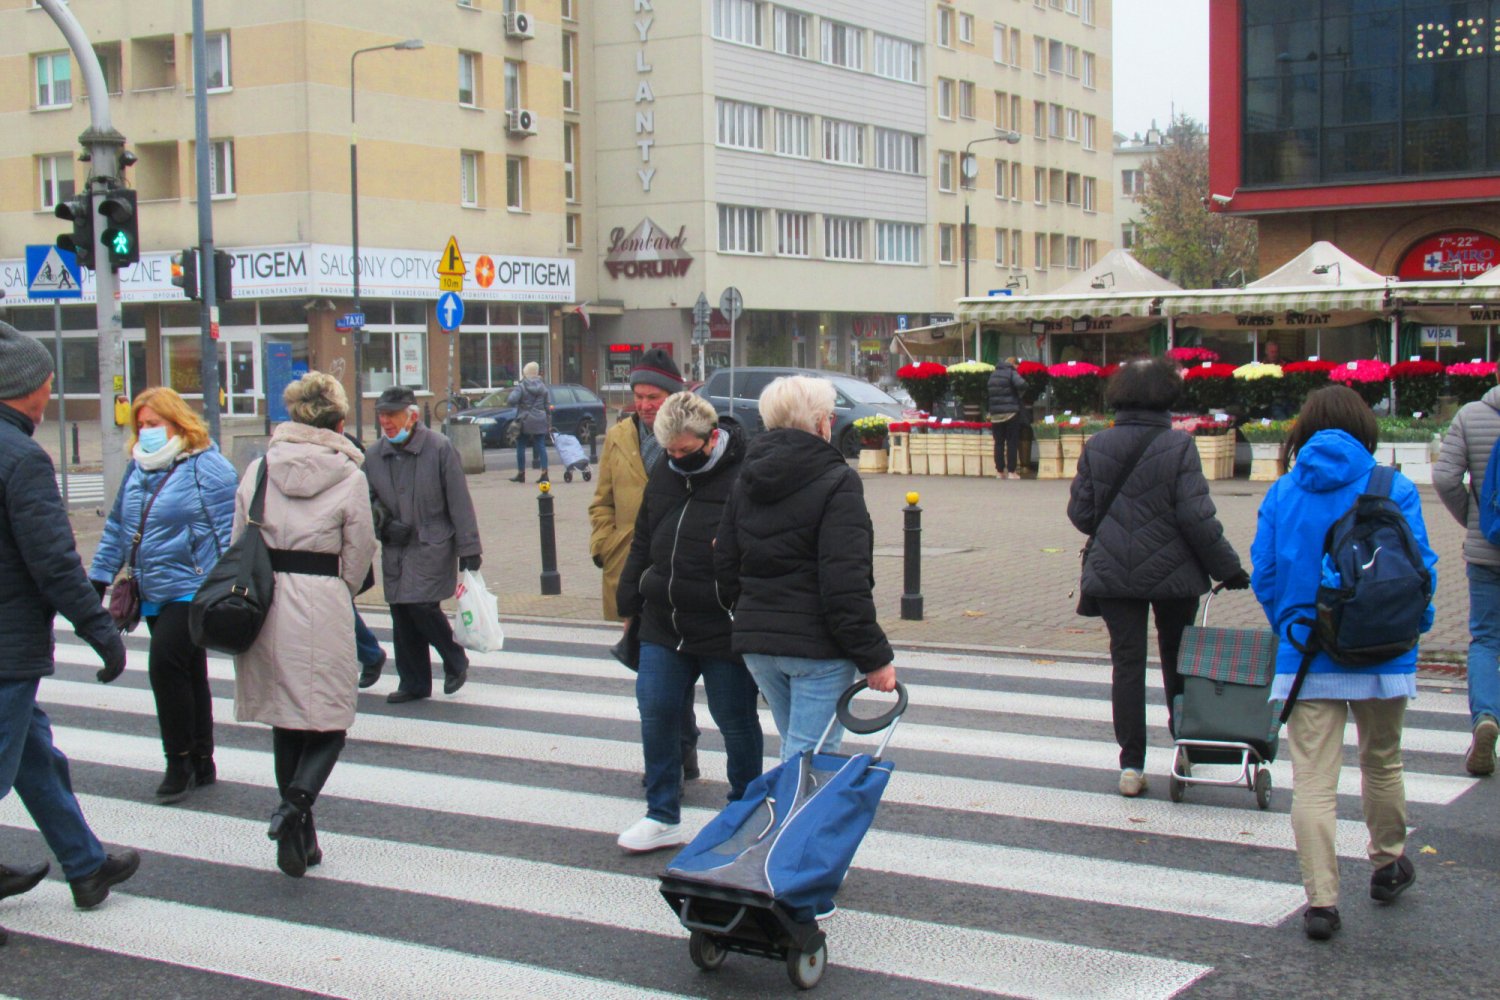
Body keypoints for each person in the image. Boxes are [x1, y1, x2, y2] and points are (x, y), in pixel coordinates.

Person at [1252, 385, 1437, 941]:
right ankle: (1388, 863)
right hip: (1384, 651)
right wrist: (1414, 627)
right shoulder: (1394, 487)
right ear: (1365, 430)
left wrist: (1290, 625)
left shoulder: (1284, 491)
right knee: (1382, 761)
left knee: (1313, 780)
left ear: (1303, 431)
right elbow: (1421, 569)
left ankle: (1322, 904)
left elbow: (1265, 573)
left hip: (1308, 654)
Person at [0, 321, 140, 928]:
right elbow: (54, 562)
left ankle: (85, 866)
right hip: (6, 646)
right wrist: (100, 631)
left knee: (34, 756)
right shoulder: (21, 459)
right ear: (26, 388)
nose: (51, 392)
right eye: (48, 381)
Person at [1067, 358, 1248, 798]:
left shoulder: (1097, 444)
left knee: (1127, 665)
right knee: (1178, 661)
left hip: (1113, 573)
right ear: (1167, 396)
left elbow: (1082, 514)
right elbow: (1197, 517)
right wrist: (1228, 568)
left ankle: (1131, 766)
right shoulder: (1179, 446)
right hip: (1174, 575)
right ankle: (1184, 749)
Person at [232, 373, 377, 877]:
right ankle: (293, 807)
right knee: (330, 720)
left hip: (267, 598)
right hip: (322, 596)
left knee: (286, 720)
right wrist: (340, 589)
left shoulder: (259, 469)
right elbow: (360, 551)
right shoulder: (350, 476)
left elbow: (239, 537)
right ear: (338, 422)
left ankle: (297, 842)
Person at [716, 375, 898, 762]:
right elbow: (845, 582)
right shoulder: (837, 480)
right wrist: (874, 658)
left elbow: (725, 561)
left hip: (758, 642)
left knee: (795, 750)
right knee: (811, 759)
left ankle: (787, 802)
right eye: (829, 416)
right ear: (819, 423)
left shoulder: (746, 477)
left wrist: (747, 612)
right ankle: (792, 806)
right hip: (817, 646)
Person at [615, 393, 762, 852]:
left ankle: (743, 813)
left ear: (711, 438)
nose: (677, 459)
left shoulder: (744, 474)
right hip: (664, 617)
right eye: (670, 451)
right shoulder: (666, 468)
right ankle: (661, 814)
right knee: (656, 709)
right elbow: (644, 536)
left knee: (734, 720)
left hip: (721, 622)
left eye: (685, 450)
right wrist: (628, 599)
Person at [89, 386, 238, 803]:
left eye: (154, 423)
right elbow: (118, 526)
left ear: (177, 422)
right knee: (189, 671)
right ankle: (203, 759)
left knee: (165, 666)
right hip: (152, 587)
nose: (146, 432)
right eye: (141, 425)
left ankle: (178, 761)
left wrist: (224, 585)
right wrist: (99, 575)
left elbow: (231, 528)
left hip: (193, 588)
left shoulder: (206, 465)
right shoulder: (138, 468)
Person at [590, 348, 701, 779]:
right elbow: (602, 501)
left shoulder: (690, 435)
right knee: (652, 675)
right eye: (638, 396)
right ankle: (673, 756)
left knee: (674, 668)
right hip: (632, 569)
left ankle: (679, 751)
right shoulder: (619, 436)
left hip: (679, 570)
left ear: (672, 397)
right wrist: (604, 545)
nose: (644, 404)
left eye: (653, 397)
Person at [364, 386, 481, 704]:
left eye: (392, 415)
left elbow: (459, 501)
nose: (385, 422)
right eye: (382, 415)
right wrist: (384, 523)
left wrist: (470, 548)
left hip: (433, 543)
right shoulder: (373, 456)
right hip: (396, 547)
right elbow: (365, 498)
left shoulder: (439, 448)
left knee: (421, 605)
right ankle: (413, 682)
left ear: (412, 416)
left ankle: (454, 657)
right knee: (401, 612)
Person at [1432, 370, 1500, 775]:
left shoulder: (1472, 415)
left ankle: (1486, 717)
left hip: (1487, 552)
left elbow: (1444, 477)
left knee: (1487, 640)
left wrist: (1475, 520)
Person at [508, 361, 551, 484]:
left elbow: (511, 400)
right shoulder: (543, 387)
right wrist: (549, 423)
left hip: (525, 419)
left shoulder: (522, 386)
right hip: (540, 419)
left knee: (521, 445)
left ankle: (521, 473)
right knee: (541, 445)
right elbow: (547, 406)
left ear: (525, 373)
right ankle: (544, 473)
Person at [987, 357, 1028, 479]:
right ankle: (1011, 471)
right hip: (1011, 413)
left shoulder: (993, 374)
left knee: (998, 443)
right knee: (1012, 442)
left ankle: (999, 471)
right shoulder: (1011, 372)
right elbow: (1022, 384)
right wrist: (1018, 394)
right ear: (1013, 364)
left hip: (995, 414)